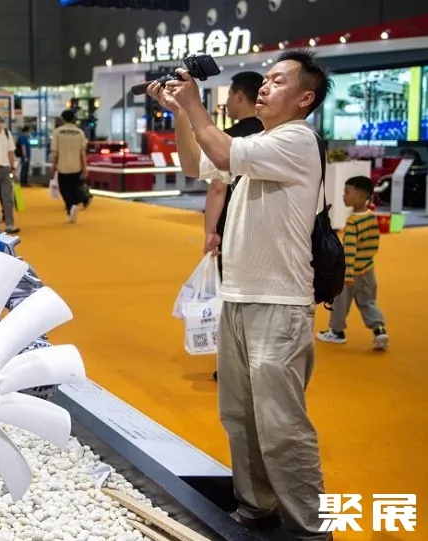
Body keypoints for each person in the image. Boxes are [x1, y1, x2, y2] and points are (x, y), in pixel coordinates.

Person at [150, 49, 334, 540]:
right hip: (238, 296)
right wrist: (180, 114)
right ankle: (256, 508)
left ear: (305, 98)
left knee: (283, 428)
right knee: (240, 416)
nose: (265, 87)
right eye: (266, 79)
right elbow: (197, 164)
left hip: (279, 303)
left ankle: (313, 530)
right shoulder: (262, 142)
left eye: (278, 81)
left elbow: (222, 154)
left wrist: (194, 104)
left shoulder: (298, 139)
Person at [203, 71, 264, 381]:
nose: (227, 101)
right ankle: (259, 362)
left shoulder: (228, 139)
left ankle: (233, 365)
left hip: (234, 228)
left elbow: (218, 188)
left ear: (240, 95)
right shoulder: (274, 134)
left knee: (234, 297)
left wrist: (210, 230)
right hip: (269, 228)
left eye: (229, 95)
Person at [317, 176, 389, 350]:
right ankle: (379, 330)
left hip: (350, 273)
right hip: (368, 270)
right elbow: (374, 244)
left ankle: (337, 332)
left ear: (361, 195)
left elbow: (349, 250)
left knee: (340, 303)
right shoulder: (371, 217)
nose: (344, 196)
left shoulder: (352, 222)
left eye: (347, 192)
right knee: (368, 302)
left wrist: (347, 274)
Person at [49, 109, 91, 224]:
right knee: (74, 188)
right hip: (76, 166)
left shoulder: (57, 132)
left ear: (63, 119)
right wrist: (85, 167)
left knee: (64, 189)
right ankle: (74, 206)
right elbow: (82, 153)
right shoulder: (79, 132)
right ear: (73, 119)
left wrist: (53, 167)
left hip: (62, 166)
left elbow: (55, 152)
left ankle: (70, 207)